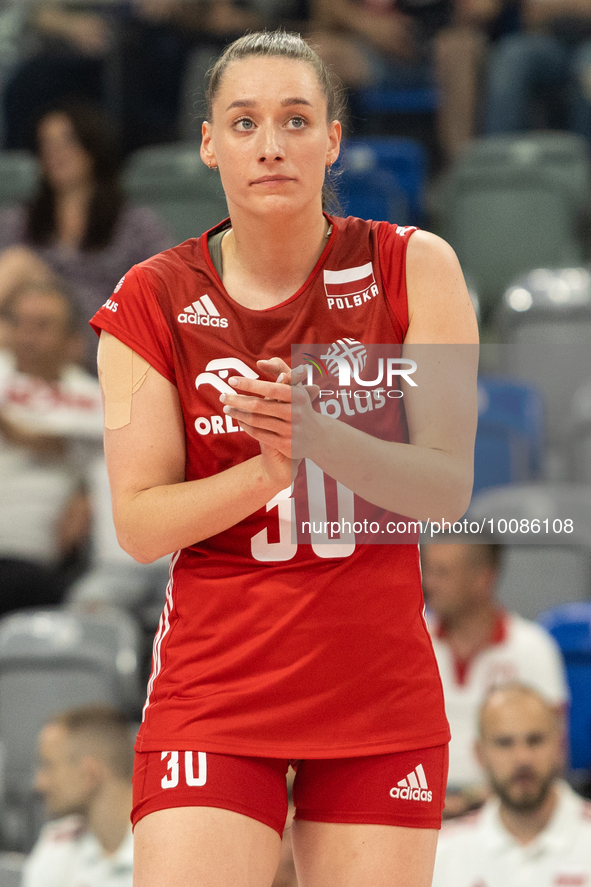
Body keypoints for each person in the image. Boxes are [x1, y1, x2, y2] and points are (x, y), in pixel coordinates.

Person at [91, 30, 479, 887]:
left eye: (297, 119)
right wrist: (266, 471)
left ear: (333, 140)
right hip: (217, 687)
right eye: (244, 122)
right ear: (208, 143)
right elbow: (140, 522)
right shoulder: (152, 295)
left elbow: (446, 489)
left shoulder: (413, 266)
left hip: (375, 690)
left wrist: (318, 440)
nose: (271, 144)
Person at [0, 101, 173, 367]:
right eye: (46, 144)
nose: (54, 153)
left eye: (66, 142)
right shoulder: (19, 221)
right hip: (28, 333)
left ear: (92, 147)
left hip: (99, 332)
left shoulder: (134, 224)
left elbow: (165, 291)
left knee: (19, 262)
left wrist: (46, 278)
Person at [421, 540, 569, 817]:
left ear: (482, 578)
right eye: (427, 571)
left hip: (506, 807)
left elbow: (553, 751)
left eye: (442, 573)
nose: (428, 583)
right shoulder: (412, 643)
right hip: (418, 807)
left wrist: (468, 803)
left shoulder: (533, 647)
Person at [0, 279, 103, 615]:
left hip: (37, 561)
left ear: (74, 342)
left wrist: (86, 490)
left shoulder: (93, 399)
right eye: (18, 323)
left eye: (42, 325)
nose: (27, 335)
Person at [432, 683, 591, 887]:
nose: (522, 758)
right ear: (479, 753)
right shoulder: (442, 854)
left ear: (559, 746)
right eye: (505, 743)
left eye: (535, 740)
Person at [22, 704, 134, 887]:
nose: (39, 783)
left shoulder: (171, 847)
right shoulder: (56, 845)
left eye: (48, 766)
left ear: (89, 774)